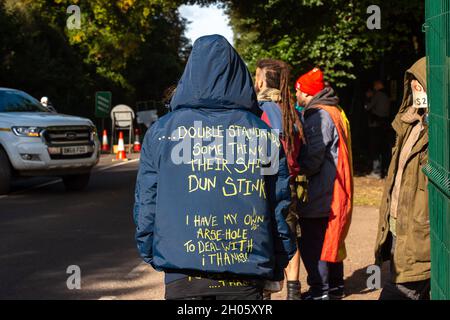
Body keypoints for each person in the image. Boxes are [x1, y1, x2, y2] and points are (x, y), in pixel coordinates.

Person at [133, 35, 296, 300]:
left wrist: (151, 251)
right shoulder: (262, 134)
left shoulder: (161, 132)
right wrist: (278, 261)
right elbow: (279, 205)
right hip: (247, 272)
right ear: (239, 75)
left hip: (181, 274)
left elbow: (147, 202)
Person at [374, 57, 430, 300]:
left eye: (421, 82)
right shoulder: (408, 122)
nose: (416, 87)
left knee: (398, 293)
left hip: (421, 235)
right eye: (413, 82)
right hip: (398, 227)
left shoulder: (439, 129)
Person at [295, 68, 354, 300]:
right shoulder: (336, 110)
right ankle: (336, 286)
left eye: (298, 91)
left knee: (313, 240)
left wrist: (296, 168)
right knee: (332, 236)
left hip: (322, 191)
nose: (296, 96)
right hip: (338, 187)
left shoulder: (318, 115)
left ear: (307, 93)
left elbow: (314, 157)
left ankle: (320, 290)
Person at [254, 58, 306, 300]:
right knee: (290, 234)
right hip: (290, 184)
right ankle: (294, 292)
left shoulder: (255, 111)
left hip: (261, 185)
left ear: (262, 80)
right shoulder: (292, 112)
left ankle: (265, 293)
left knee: (264, 235)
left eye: (256, 76)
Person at [365, 80, 391, 177]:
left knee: (375, 148)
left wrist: (368, 98)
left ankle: (376, 171)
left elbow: (368, 107)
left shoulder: (378, 95)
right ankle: (384, 170)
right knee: (383, 148)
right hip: (384, 124)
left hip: (376, 124)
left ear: (379, 85)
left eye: (375, 84)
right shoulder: (387, 94)